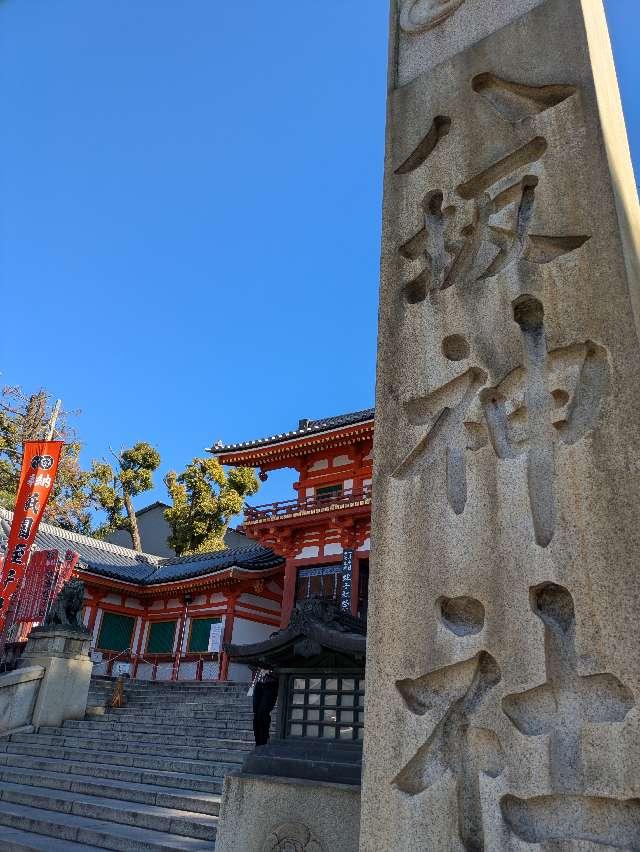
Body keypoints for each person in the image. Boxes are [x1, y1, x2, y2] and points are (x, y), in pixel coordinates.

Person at [250, 667, 279, 746]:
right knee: (256, 714)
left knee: (262, 713)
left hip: (271, 684)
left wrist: (269, 671)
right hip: (259, 683)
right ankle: (258, 742)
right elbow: (251, 665)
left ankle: (264, 740)